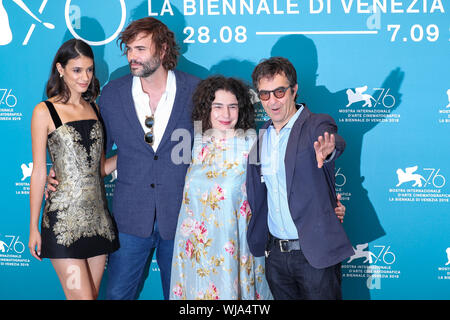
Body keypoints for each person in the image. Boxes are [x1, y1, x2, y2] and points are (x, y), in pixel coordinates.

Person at [92, 17, 199, 300]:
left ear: (163, 50)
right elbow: (98, 157)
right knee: (116, 295)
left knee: (182, 297)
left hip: (182, 217)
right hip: (130, 218)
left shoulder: (196, 90)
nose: (132, 57)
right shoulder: (113, 94)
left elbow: (215, 148)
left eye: (140, 49)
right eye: (128, 49)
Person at [246, 57, 354, 300]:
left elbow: (335, 141)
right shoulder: (261, 136)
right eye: (265, 94)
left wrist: (328, 149)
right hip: (276, 256)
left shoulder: (316, 124)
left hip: (313, 253)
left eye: (280, 92)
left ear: (294, 91)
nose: (272, 101)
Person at [29, 39, 119, 300]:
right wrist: (33, 227)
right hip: (62, 225)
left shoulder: (96, 109)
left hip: (99, 223)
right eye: (77, 70)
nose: (85, 77)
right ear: (60, 69)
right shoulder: (44, 111)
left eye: (89, 69)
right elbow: (38, 172)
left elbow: (100, 168)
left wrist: (134, 155)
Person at [169, 76, 273, 300]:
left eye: (232, 106)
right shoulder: (198, 143)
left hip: (233, 251)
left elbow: (282, 185)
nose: (225, 115)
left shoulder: (252, 144)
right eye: (218, 106)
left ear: (241, 109)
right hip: (194, 253)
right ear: (207, 109)